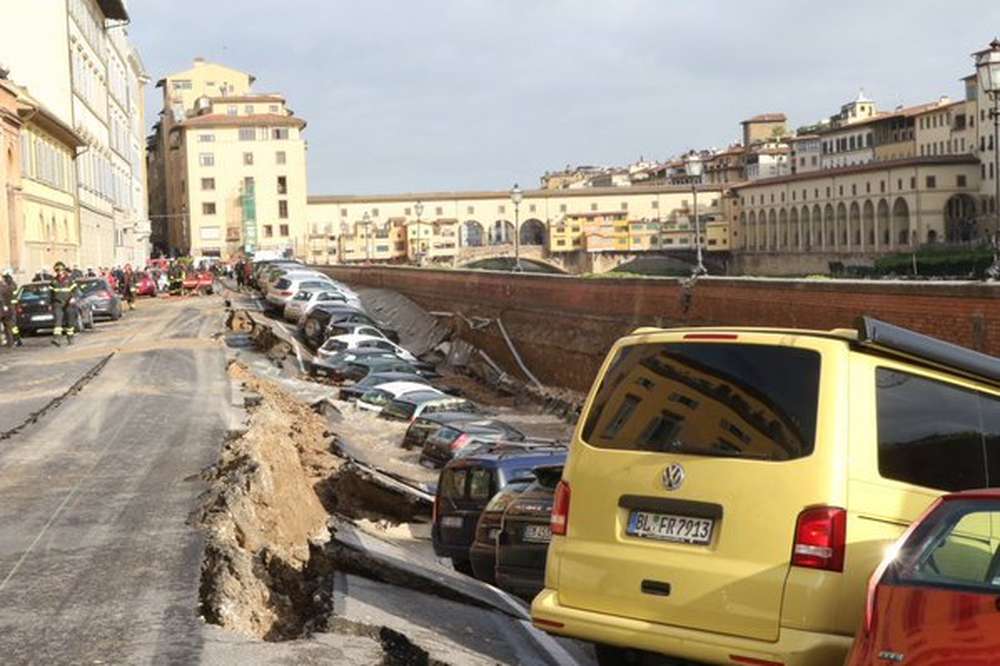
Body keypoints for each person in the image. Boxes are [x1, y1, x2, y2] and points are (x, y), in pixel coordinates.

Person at [49, 262, 78, 347]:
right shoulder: (53, 281)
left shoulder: (69, 280)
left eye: (61, 270)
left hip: (69, 303)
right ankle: (56, 338)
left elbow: (75, 291)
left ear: (64, 270)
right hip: (57, 303)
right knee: (58, 320)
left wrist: (73, 298)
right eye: (57, 270)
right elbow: (50, 294)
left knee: (70, 321)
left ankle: (70, 337)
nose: (59, 272)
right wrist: (50, 304)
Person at [0, 270, 22, 348]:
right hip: (10, 307)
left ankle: (15, 340)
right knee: (11, 326)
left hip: (9, 307)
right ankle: (15, 340)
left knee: (10, 325)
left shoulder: (8, 286)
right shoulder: (11, 285)